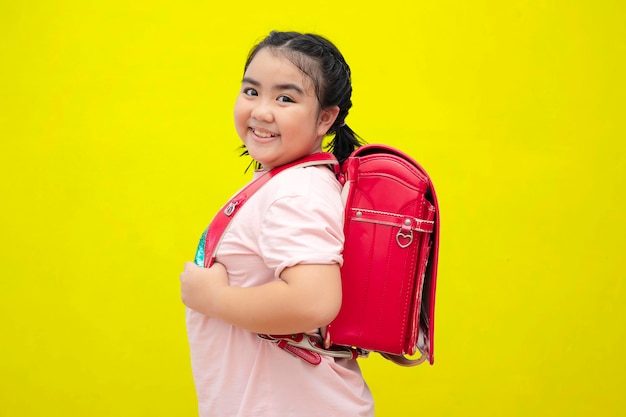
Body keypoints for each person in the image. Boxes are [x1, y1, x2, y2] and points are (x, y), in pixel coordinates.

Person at [180, 31, 374, 417]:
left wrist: (213, 300)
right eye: (252, 92)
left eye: (285, 98)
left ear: (325, 118)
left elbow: (313, 300)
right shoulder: (290, 182)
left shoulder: (295, 194)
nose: (262, 111)